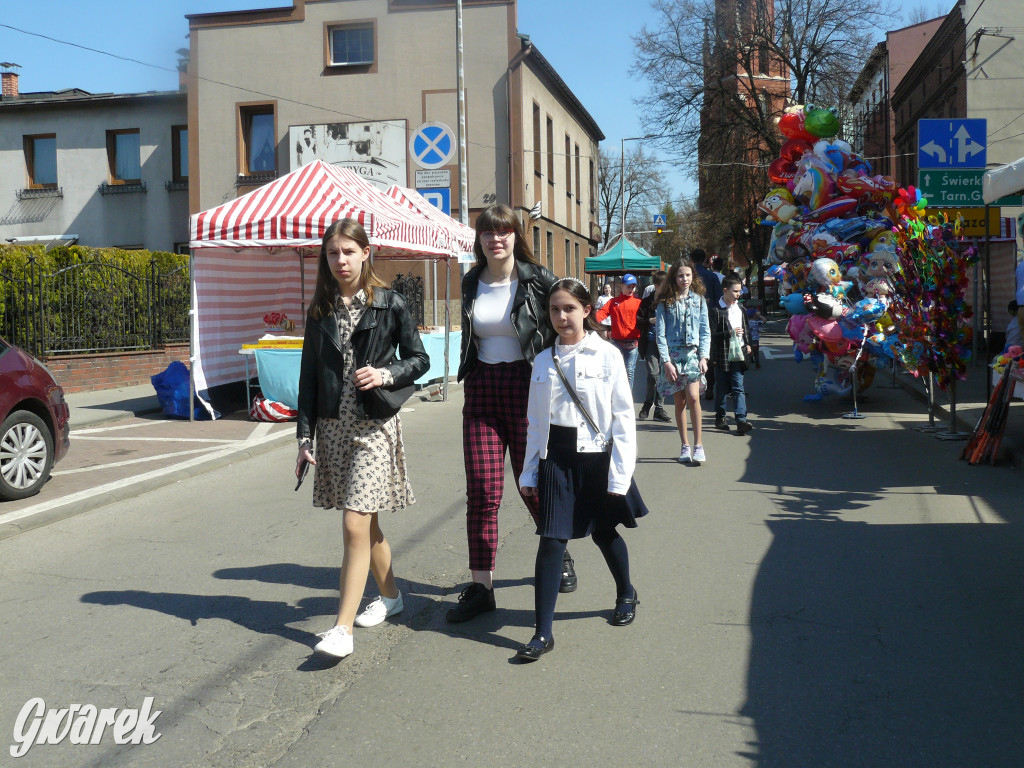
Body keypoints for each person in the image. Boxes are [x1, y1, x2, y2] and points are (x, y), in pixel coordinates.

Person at [296, 218, 429, 659]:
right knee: (367, 524)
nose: (340, 261)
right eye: (333, 253)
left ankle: (342, 628)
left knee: (354, 522)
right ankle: (391, 598)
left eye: (348, 252)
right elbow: (309, 380)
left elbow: (419, 358)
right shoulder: (320, 310)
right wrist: (304, 438)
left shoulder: (389, 303)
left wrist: (387, 373)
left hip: (374, 427)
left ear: (365, 253)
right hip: (334, 428)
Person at [449, 204, 576, 624]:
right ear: (479, 239)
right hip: (482, 389)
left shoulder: (537, 279)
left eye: (503, 232)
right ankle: (482, 587)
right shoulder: (471, 281)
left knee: (533, 485)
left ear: (514, 236)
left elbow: (566, 316)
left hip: (528, 388)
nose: (495, 239)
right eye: (488, 233)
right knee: (482, 492)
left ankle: (559, 552)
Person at [517, 278, 649, 661]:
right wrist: (528, 474)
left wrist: (620, 476)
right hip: (555, 459)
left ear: (587, 311)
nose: (561, 316)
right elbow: (536, 425)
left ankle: (626, 592)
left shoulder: (606, 355)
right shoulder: (543, 360)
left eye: (569, 308)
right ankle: (542, 634)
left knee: (604, 532)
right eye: (555, 309)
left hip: (596, 458)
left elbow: (623, 417)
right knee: (551, 541)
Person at [655, 259, 711, 465]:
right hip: (673, 357)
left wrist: (704, 356)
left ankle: (699, 445)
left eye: (687, 275)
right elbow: (660, 334)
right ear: (674, 277)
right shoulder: (665, 302)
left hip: (693, 355)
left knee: (694, 398)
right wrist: (666, 361)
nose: (684, 279)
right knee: (680, 401)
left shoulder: (699, 300)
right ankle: (685, 445)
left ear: (692, 276)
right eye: (680, 275)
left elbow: (705, 330)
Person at [709, 273, 753, 435]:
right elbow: (712, 335)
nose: (738, 294)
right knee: (721, 387)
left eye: (739, 291)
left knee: (738, 387)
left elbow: (745, 327)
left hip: (739, 352)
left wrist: (747, 344)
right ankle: (720, 416)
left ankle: (741, 420)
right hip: (722, 353)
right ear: (725, 290)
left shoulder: (740, 308)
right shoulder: (715, 310)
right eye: (735, 291)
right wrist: (728, 332)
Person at [595, 273, 643, 388]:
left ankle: (627, 400)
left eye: (633, 286)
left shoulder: (639, 303)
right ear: (622, 286)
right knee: (614, 371)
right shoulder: (613, 302)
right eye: (628, 286)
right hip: (617, 344)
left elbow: (645, 319)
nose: (631, 289)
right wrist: (589, 321)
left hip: (633, 344)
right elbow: (601, 314)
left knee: (629, 373)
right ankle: (614, 397)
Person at [636, 270, 671, 422]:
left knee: (663, 376)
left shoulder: (670, 301)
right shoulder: (646, 302)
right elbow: (637, 321)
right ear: (656, 285)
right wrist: (648, 321)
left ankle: (659, 409)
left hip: (666, 344)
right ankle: (647, 405)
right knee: (653, 375)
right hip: (650, 342)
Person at [690, 249, 722, 399]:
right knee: (708, 351)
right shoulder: (712, 276)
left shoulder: (687, 275)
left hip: (689, 317)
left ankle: (693, 384)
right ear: (705, 260)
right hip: (709, 316)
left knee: (691, 351)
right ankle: (709, 386)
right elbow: (718, 300)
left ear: (691, 259)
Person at [746, 301, 767, 368]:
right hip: (755, 339)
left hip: (748, 339)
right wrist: (759, 315)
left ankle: (749, 361)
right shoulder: (756, 323)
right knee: (756, 352)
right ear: (755, 315)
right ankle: (757, 363)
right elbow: (765, 320)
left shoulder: (747, 323)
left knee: (748, 351)